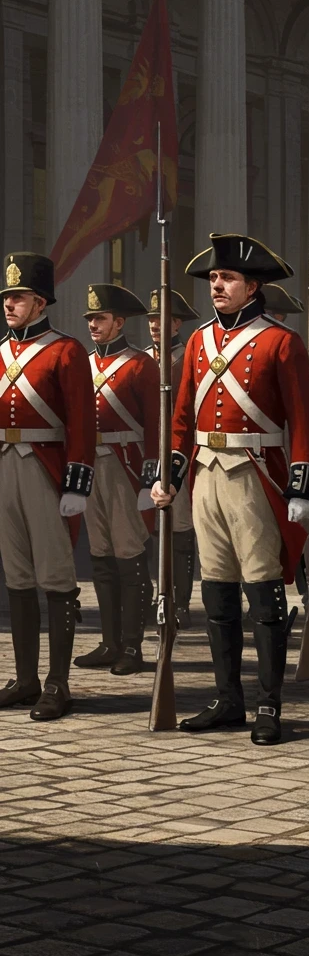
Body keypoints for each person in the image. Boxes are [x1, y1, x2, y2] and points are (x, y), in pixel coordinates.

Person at [152, 234, 309, 745]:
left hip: (255, 471)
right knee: (217, 592)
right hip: (206, 471)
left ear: (252, 287)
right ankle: (229, 700)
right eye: (213, 279)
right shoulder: (200, 340)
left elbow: (304, 422)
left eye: (226, 279)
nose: (216, 286)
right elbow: (182, 416)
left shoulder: (279, 341)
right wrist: (171, 474)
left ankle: (269, 703)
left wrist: (302, 485)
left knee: (263, 591)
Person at [0, 253, 94, 720]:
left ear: (40, 302)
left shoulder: (66, 350)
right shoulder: (0, 351)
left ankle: (58, 683)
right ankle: (25, 678)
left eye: (17, 297)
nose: (9, 305)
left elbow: (81, 421)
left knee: (55, 578)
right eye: (6, 297)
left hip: (46, 466)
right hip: (5, 464)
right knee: (16, 576)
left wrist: (77, 482)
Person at [75, 284, 158, 677]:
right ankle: (109, 642)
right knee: (101, 556)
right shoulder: (84, 364)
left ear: (119, 322)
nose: (93, 324)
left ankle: (132, 645)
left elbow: (155, 427)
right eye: (90, 318)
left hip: (126, 466)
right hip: (92, 465)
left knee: (129, 557)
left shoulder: (141, 365)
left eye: (100, 318)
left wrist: (151, 477)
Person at [145, 288, 199, 630]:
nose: (154, 325)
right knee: (151, 530)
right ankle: (158, 594)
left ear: (177, 324)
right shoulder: (140, 360)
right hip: (146, 452)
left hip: (179, 452)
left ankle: (180, 601)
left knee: (179, 531)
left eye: (161, 319)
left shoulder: (186, 359)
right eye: (151, 319)